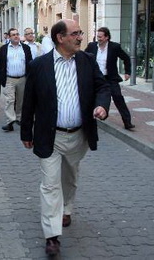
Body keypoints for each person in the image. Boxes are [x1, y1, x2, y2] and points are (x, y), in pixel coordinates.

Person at [20, 19, 111, 256]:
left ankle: (67, 208)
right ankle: (52, 235)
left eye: (80, 33)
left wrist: (102, 107)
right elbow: (29, 100)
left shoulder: (87, 61)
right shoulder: (39, 65)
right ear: (61, 38)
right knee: (50, 184)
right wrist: (25, 131)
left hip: (78, 134)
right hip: (50, 136)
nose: (81, 37)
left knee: (69, 178)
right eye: (76, 33)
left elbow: (103, 87)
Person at [85, 27, 135, 130]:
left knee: (118, 98)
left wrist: (127, 72)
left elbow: (126, 58)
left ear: (107, 37)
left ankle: (127, 122)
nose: (98, 39)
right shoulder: (92, 46)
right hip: (96, 78)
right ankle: (91, 120)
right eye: (97, 36)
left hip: (110, 78)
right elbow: (84, 57)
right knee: (91, 98)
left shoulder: (114, 47)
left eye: (101, 37)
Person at [0, 28, 32, 132]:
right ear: (9, 37)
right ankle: (10, 121)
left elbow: (30, 63)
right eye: (13, 35)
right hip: (9, 79)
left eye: (17, 34)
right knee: (10, 100)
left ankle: (19, 118)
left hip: (22, 78)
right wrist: (2, 78)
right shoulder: (3, 49)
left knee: (20, 101)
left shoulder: (25, 48)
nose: (16, 36)